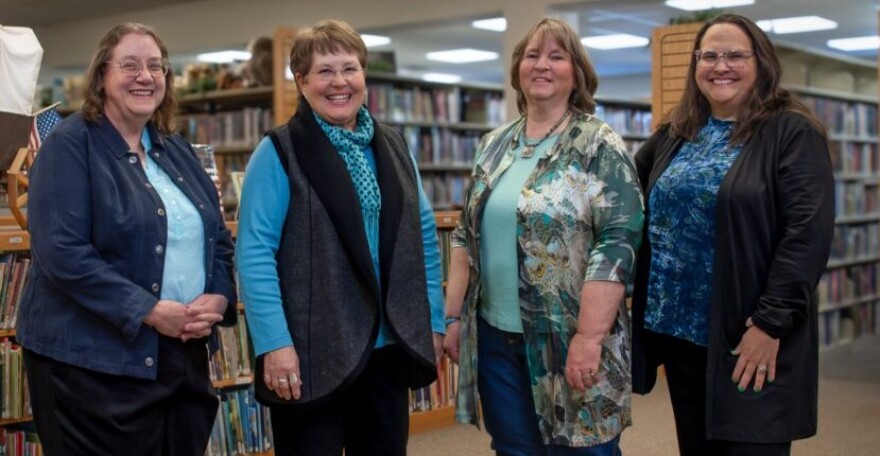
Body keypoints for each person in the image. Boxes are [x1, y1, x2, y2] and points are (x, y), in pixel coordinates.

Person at [17, 22, 237, 456]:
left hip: (181, 359)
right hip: (92, 369)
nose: (145, 76)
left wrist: (219, 297)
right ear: (101, 77)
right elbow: (63, 253)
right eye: (130, 65)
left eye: (155, 66)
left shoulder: (175, 149)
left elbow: (217, 236)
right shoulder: (69, 145)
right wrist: (150, 311)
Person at [234, 19, 445, 456]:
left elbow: (422, 233)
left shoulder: (393, 145)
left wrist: (433, 321)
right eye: (324, 71)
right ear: (301, 80)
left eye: (349, 68)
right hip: (313, 350)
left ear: (364, 75)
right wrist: (274, 344)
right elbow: (255, 253)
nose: (339, 82)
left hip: (387, 347)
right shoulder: (278, 151)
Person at [631, 14, 835, 456]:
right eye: (709, 56)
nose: (720, 65)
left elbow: (806, 237)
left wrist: (769, 322)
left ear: (760, 63)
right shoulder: (678, 131)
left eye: (735, 55)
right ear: (695, 64)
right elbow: (626, 189)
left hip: (747, 335)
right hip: (681, 335)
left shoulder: (791, 132)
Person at [443, 17, 644, 456]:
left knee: (582, 448)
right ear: (518, 68)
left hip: (571, 336)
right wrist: (453, 317)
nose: (542, 65)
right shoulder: (494, 144)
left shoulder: (598, 144)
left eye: (556, 55)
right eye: (532, 55)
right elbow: (463, 236)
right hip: (496, 338)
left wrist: (589, 339)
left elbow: (617, 245)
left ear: (577, 73)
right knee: (514, 449)